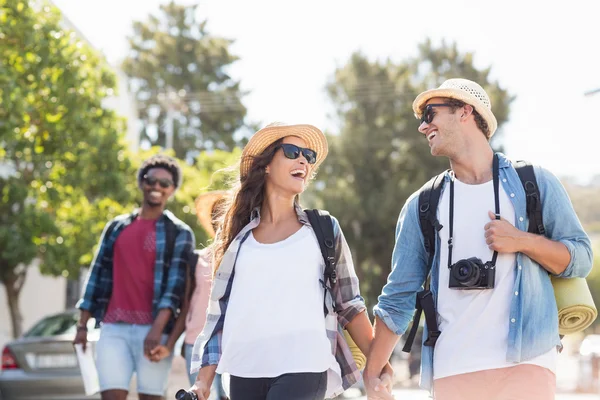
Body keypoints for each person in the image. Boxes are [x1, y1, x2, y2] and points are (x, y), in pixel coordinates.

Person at [365, 78, 593, 400]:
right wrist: (373, 369)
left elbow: (581, 258)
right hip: (453, 368)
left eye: (430, 114)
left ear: (465, 112)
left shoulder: (534, 182)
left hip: (527, 362)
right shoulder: (423, 204)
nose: (422, 127)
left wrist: (522, 240)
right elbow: (399, 295)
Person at [187, 123, 393, 400]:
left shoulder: (323, 229)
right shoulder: (238, 238)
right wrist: (203, 381)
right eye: (292, 151)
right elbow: (220, 313)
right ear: (266, 165)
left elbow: (349, 304)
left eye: (308, 156)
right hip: (243, 369)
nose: (303, 160)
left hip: (304, 364)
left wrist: (377, 362)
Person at [74, 154, 196, 400]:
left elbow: (175, 289)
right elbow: (96, 275)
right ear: (142, 182)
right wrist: (82, 325)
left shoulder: (179, 233)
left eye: (165, 183)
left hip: (154, 331)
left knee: (151, 397)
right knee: (110, 396)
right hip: (113, 329)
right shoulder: (116, 227)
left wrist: (157, 329)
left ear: (172, 190)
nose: (157, 187)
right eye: (152, 180)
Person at [151, 191, 228, 400]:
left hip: (232, 343)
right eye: (216, 216)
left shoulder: (245, 255)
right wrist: (170, 345)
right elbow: (186, 306)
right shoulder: (197, 259)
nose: (220, 220)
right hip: (197, 343)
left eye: (226, 214)